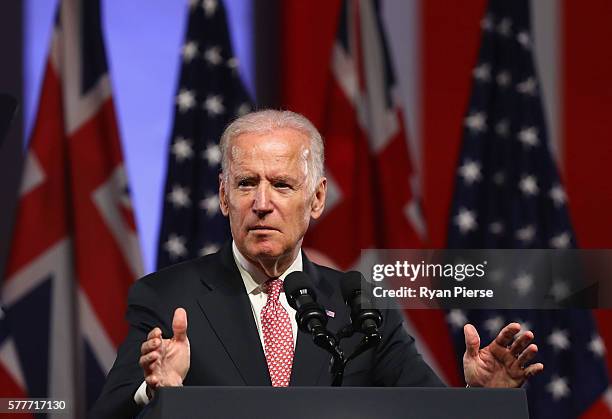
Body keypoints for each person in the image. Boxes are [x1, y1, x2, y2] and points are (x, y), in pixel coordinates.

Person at [90, 110, 543, 418]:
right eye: (247, 183)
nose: (262, 203)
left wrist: (480, 403)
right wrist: (158, 393)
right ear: (224, 196)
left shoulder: (359, 302)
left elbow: (423, 410)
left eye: (283, 185)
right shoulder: (168, 298)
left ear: (317, 198)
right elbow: (109, 413)